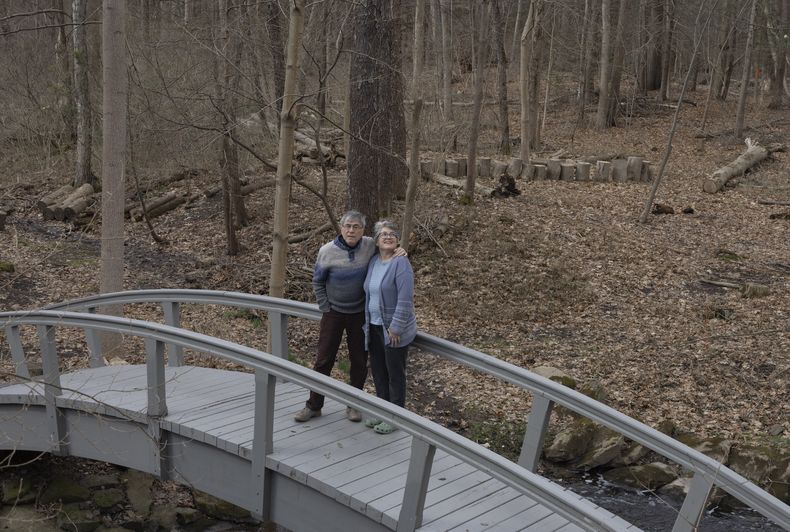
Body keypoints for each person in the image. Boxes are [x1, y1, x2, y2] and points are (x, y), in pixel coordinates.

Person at [294, 211, 404, 423]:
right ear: (341, 228)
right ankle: (314, 405)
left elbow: (388, 246)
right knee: (323, 360)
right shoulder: (327, 251)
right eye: (348, 226)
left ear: (363, 230)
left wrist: (400, 250)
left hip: (360, 315)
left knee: (359, 362)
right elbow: (317, 281)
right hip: (333, 313)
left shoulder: (369, 245)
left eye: (356, 227)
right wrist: (325, 306)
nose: (351, 230)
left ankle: (354, 405)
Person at [362, 221, 417, 435]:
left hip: (393, 330)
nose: (388, 236)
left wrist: (396, 327)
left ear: (397, 240)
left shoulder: (401, 263)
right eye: (383, 234)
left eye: (392, 234)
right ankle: (383, 411)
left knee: (395, 374)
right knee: (378, 372)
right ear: (376, 241)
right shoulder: (374, 261)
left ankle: (396, 417)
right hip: (374, 326)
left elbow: (405, 299)